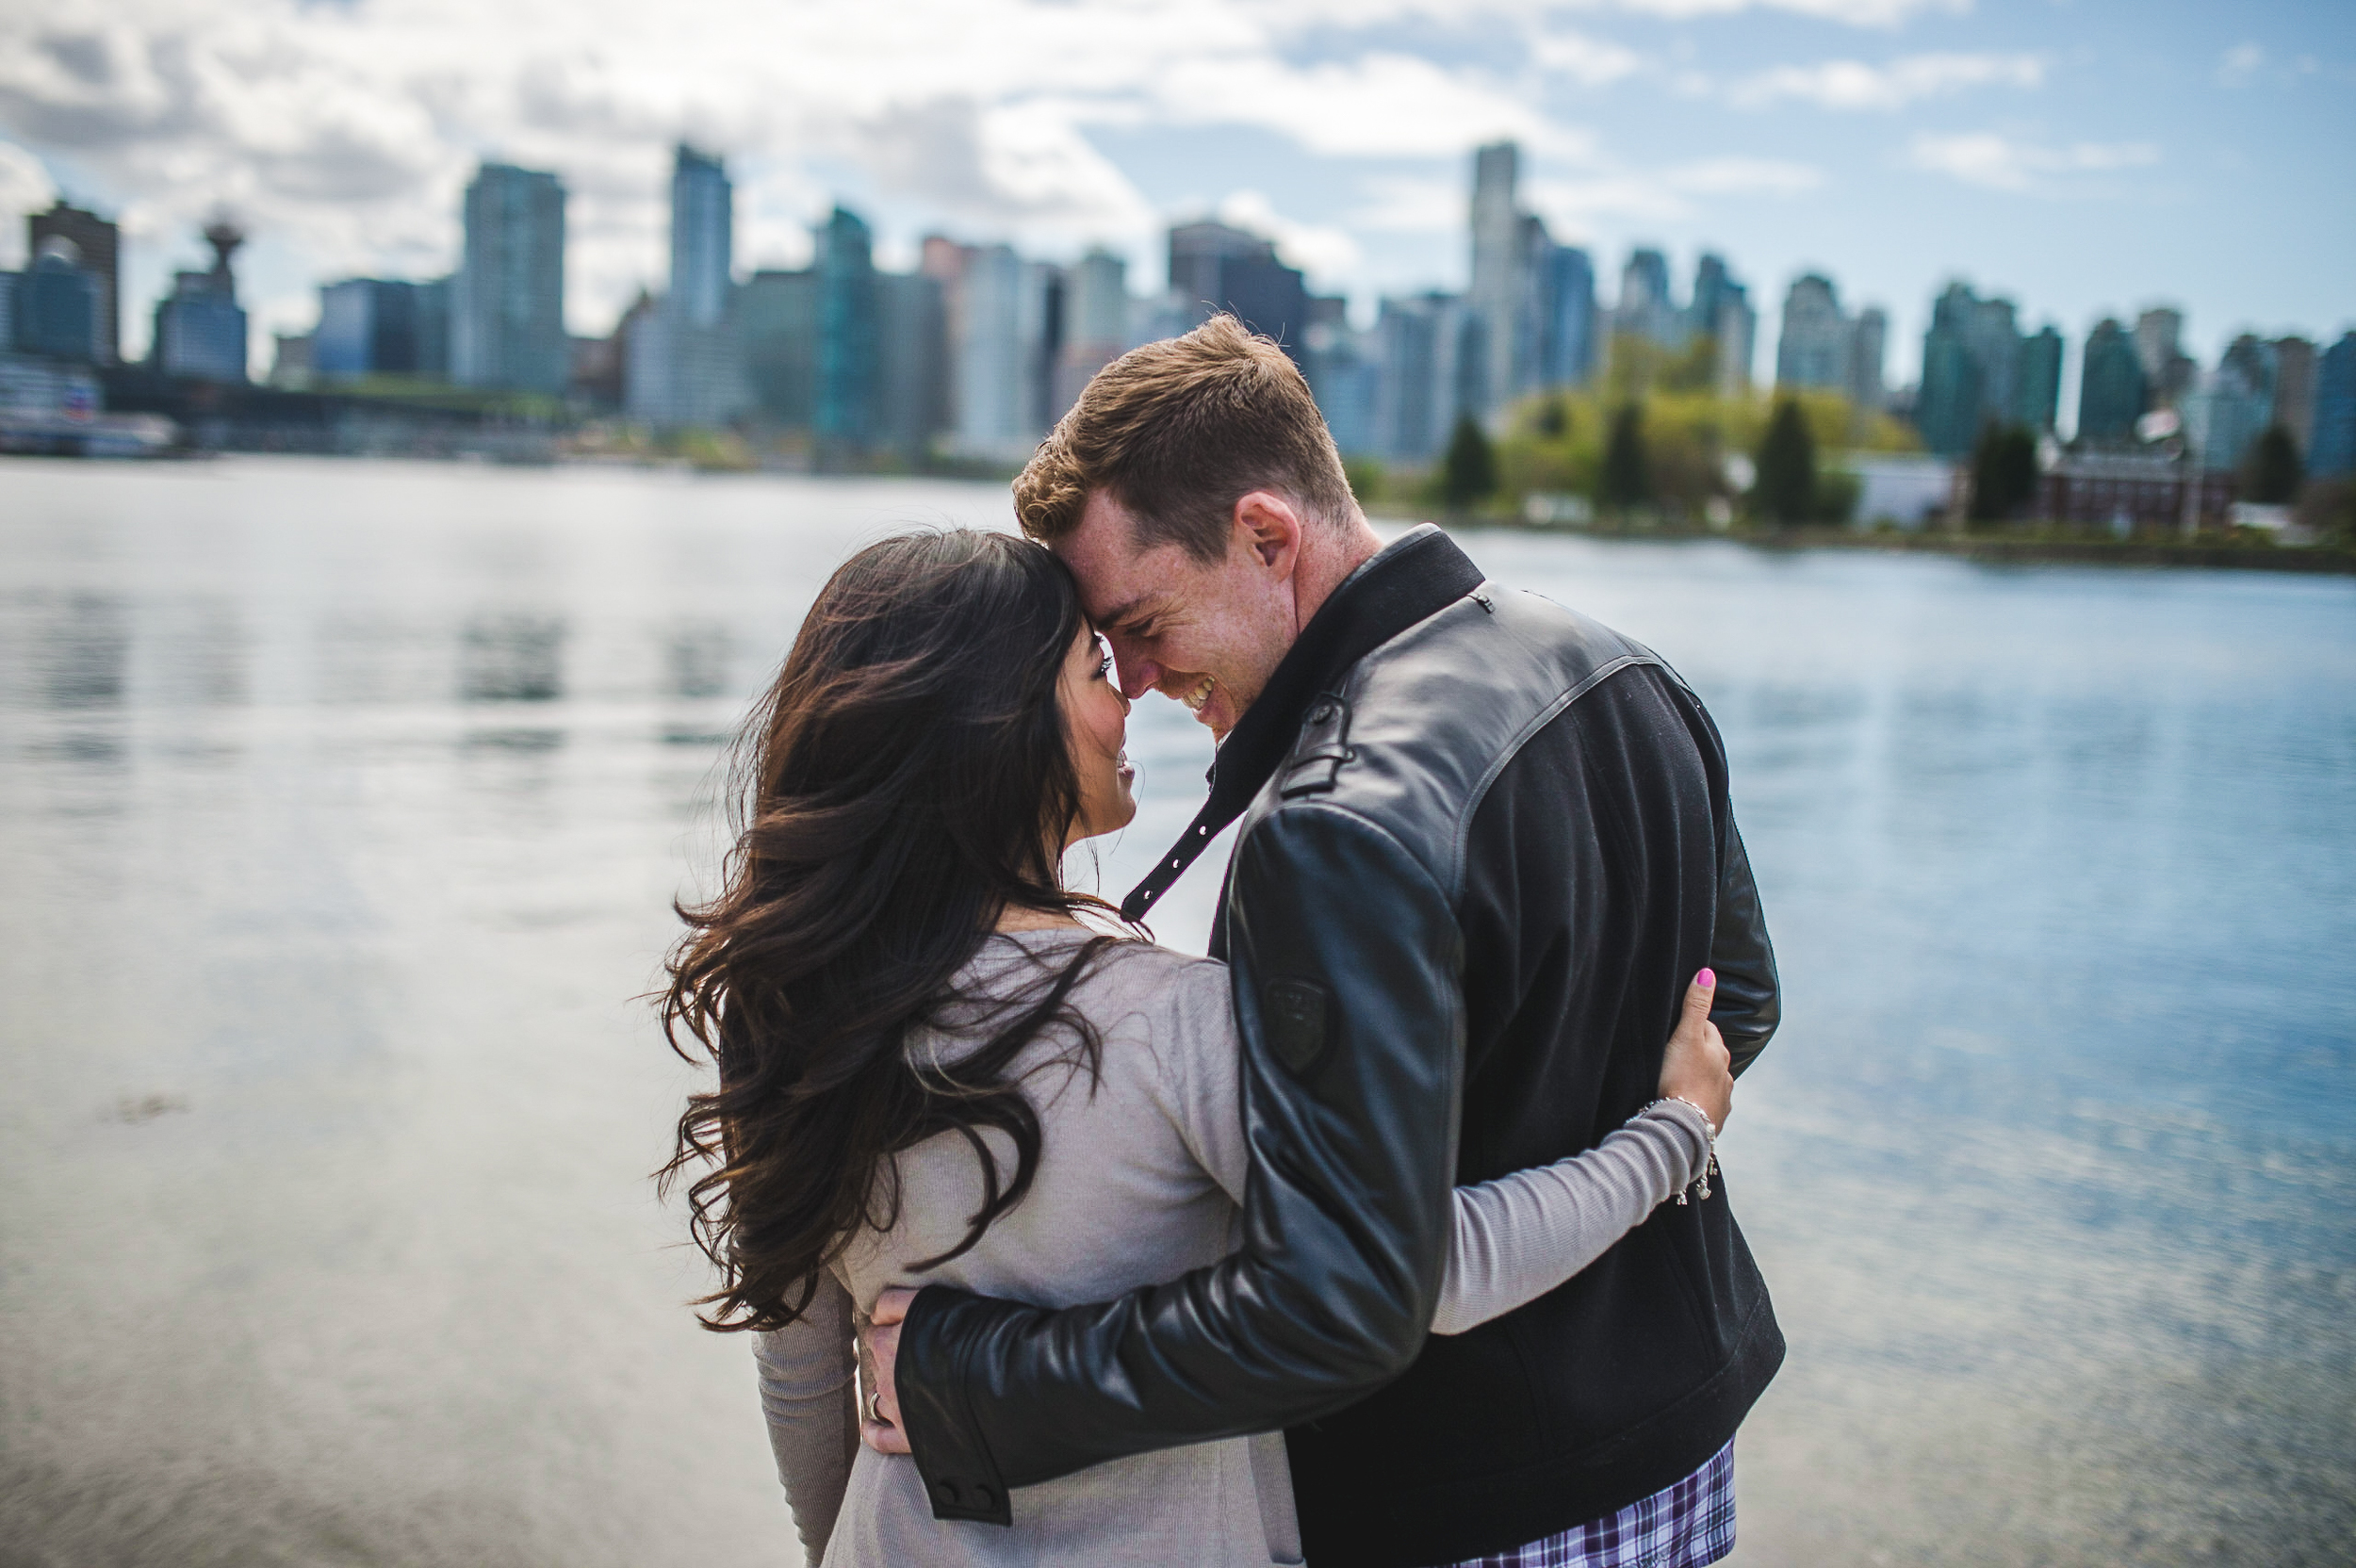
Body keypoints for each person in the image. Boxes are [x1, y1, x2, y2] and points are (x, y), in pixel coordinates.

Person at [858, 315, 1783, 1568]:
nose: (1127, 679)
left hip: (1476, 1505)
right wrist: (1654, 1133)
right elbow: (1737, 1005)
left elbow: (1337, 1312)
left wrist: (966, 1383)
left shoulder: (1332, 827)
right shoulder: (1624, 670)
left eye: (1139, 620)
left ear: (1266, 536)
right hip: (1685, 1444)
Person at [659, 527, 1738, 1566]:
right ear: (1003, 727)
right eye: (1094, 668)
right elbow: (1425, 1272)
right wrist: (1670, 1134)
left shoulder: (788, 1008)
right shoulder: (1169, 1021)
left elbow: (800, 1378)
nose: (1129, 694)